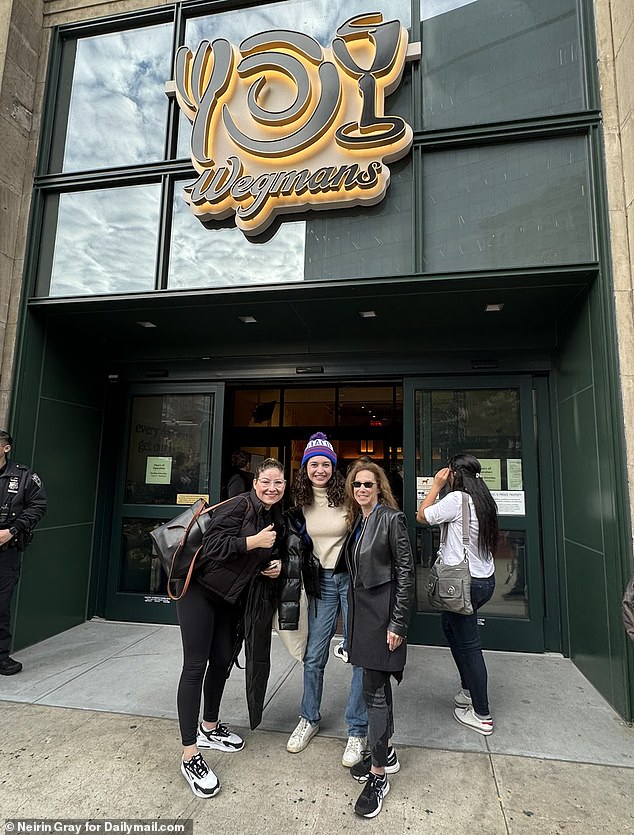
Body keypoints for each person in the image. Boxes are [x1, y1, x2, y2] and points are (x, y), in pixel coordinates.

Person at [177, 457, 285, 798]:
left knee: (223, 660)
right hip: (197, 592)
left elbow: (255, 556)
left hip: (227, 599)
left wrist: (272, 564)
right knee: (195, 666)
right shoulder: (239, 505)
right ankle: (189, 753)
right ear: (255, 483)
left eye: (278, 483)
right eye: (266, 482)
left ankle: (210, 727)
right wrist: (253, 544)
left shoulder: (271, 514)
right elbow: (213, 546)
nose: (272, 488)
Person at [285, 433, 368, 768]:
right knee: (314, 654)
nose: (319, 469)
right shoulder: (299, 501)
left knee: (360, 653)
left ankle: (357, 729)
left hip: (352, 580)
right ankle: (309, 717)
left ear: (334, 468)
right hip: (321, 582)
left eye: (325, 464)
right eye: (313, 464)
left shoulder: (350, 497)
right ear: (305, 468)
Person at [341, 458, 414, 818]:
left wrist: (398, 624)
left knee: (375, 691)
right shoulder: (360, 521)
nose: (362, 490)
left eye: (368, 484)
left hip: (383, 617)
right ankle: (385, 752)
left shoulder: (391, 520)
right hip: (362, 618)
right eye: (357, 485)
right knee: (375, 688)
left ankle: (379, 774)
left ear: (379, 487)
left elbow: (406, 575)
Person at [417, 453, 498, 736]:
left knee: (469, 645)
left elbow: (422, 515)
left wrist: (436, 486)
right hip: (483, 580)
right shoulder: (484, 500)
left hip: (465, 583)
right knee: (450, 627)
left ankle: (482, 713)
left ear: (453, 473)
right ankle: (468, 690)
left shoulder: (456, 500)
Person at [0, 429, 47, 675]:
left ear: (6, 447)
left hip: (5, 551)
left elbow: (38, 506)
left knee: (1, 605)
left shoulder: (24, 475)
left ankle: (1, 658)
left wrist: (13, 530)